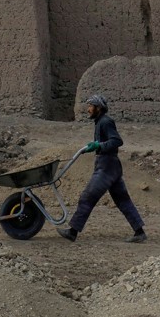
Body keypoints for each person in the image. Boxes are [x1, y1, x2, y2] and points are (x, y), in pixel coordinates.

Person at [57, 94, 147, 243]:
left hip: (106, 167)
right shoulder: (100, 122)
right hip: (111, 166)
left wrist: (99, 145)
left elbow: (117, 141)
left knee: (87, 197)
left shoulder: (106, 122)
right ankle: (139, 232)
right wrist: (94, 146)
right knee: (123, 200)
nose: (88, 109)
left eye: (91, 106)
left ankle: (72, 232)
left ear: (98, 108)